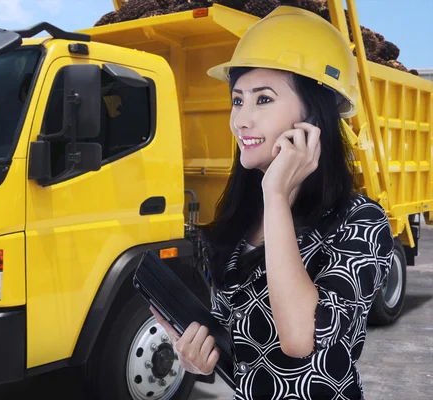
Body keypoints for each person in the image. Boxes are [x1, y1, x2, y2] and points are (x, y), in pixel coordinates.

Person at [151, 5, 394, 400]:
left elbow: (302, 339)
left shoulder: (361, 221)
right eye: (238, 100)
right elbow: (249, 354)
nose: (241, 120)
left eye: (263, 100)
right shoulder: (241, 222)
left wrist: (276, 194)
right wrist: (200, 358)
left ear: (314, 115)